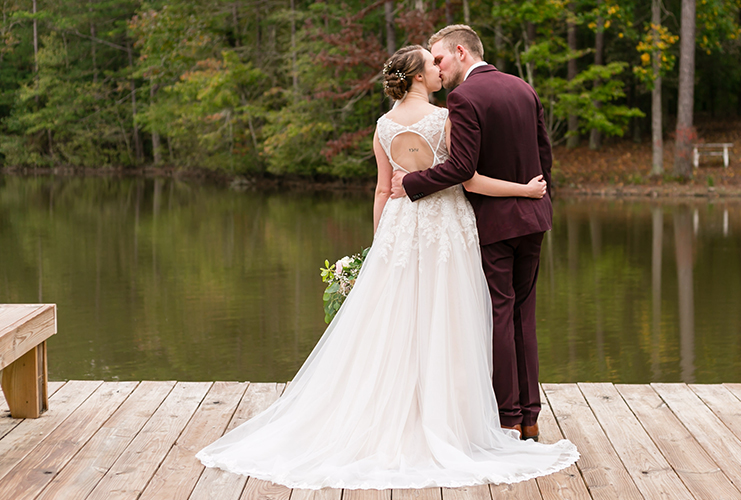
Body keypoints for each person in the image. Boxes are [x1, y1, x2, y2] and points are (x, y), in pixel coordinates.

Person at [196, 44, 578, 490]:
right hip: (446, 227)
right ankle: (472, 418)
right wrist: (526, 190)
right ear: (418, 77)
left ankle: (406, 412)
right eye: (432, 64)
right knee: (452, 321)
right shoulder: (444, 118)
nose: (440, 69)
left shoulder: (381, 126)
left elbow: (382, 190)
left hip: (400, 228)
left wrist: (380, 247)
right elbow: (466, 175)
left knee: (399, 324)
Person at [391, 25, 552, 442]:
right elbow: (544, 155)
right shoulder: (524, 89)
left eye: (440, 58)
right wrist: (540, 201)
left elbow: (463, 169)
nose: (438, 69)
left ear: (460, 52)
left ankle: (508, 417)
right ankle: (531, 416)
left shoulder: (464, 98)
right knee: (523, 315)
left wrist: (409, 184)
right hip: (534, 216)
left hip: (494, 222)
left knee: (499, 312)